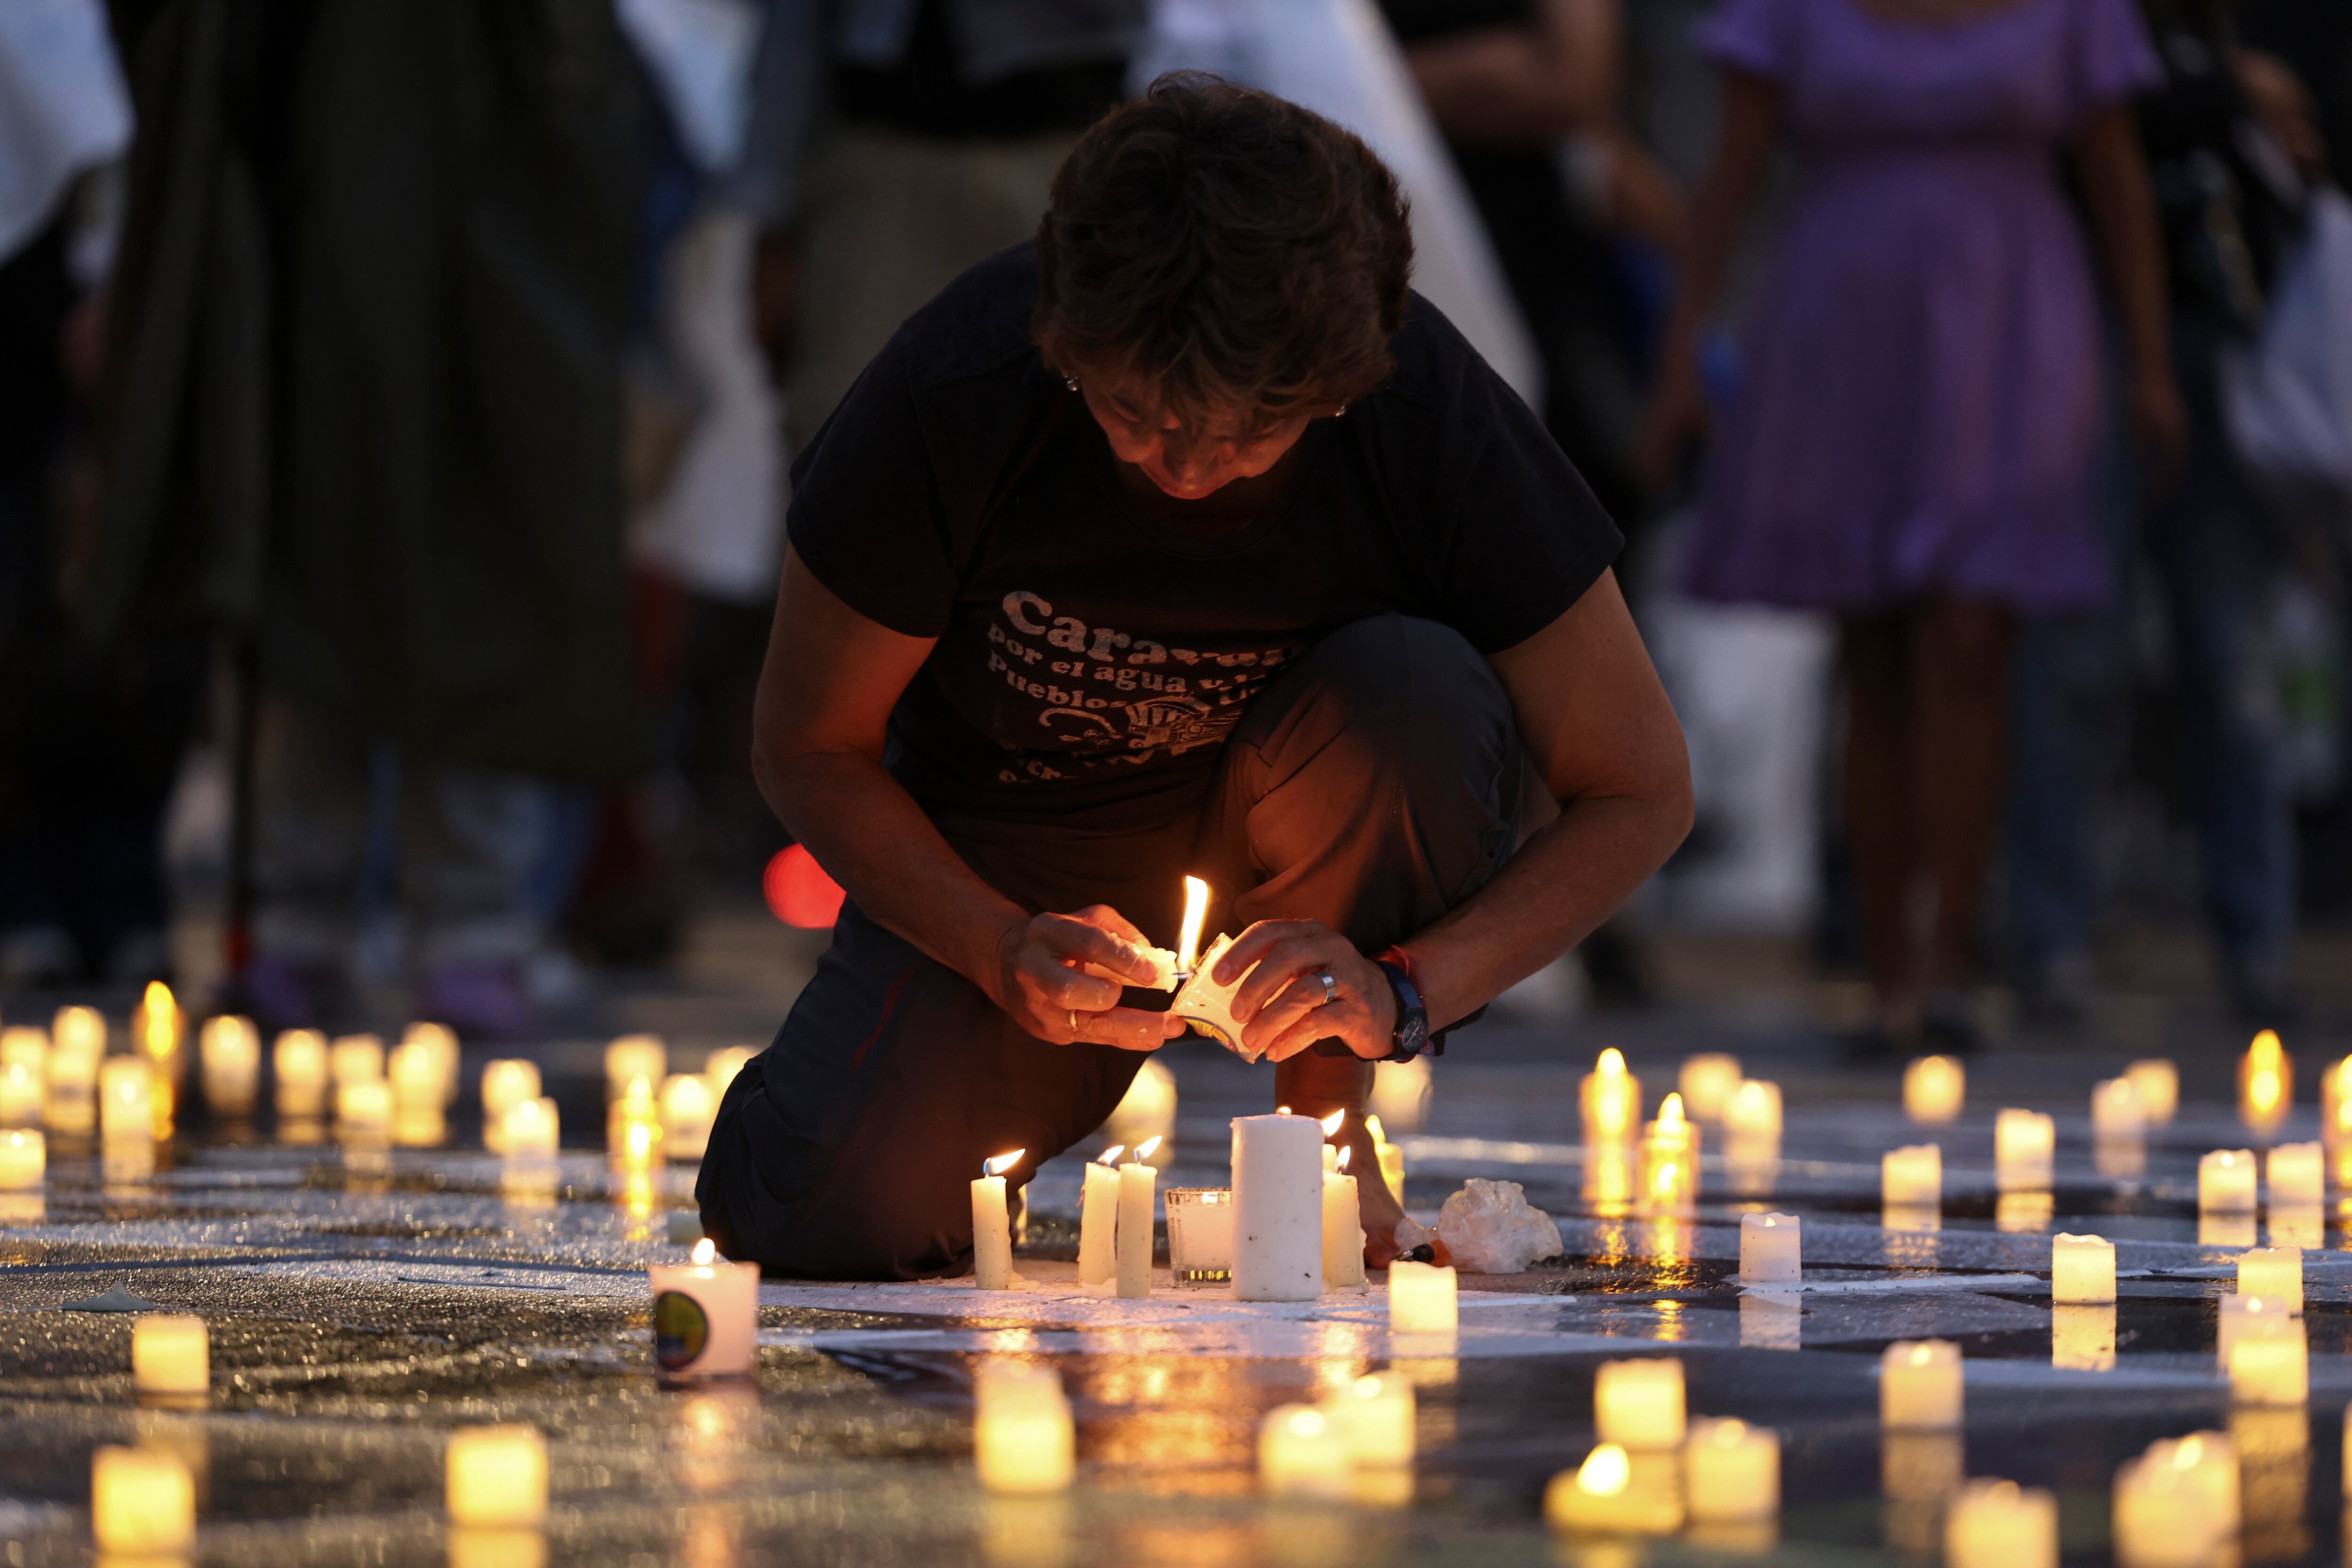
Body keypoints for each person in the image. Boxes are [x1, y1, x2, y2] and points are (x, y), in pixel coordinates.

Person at [696, 76, 1692, 1281]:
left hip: (1322, 822)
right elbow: (809, 742)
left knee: (1413, 693)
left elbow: (1639, 784)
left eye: (1249, 433)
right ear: (1066, 343)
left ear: (1338, 387)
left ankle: (1323, 1147)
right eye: (1133, 412)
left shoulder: (1420, 406)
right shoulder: (962, 383)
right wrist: (992, 940)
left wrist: (1401, 990)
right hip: (1018, 855)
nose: (1185, 466)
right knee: (817, 1214)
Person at [81, 1, 651, 1036]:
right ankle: (294, 915)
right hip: (300, 237)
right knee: (298, 577)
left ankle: (473, 917)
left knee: (476, 573)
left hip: (483, 241)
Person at [1640, 0, 2183, 1049]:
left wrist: (2152, 363)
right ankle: (1890, 966)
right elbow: (1731, 177)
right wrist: (1680, 355)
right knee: (1873, 646)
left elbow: (2118, 180)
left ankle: (1950, 959)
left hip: (2012, 321)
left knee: (1973, 635)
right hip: (1845, 324)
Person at [2008, 1, 2315, 1025]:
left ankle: (2256, 934)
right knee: (2071, 653)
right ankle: (2052, 933)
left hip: (2232, 335)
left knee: (2232, 660)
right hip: (2083, 330)